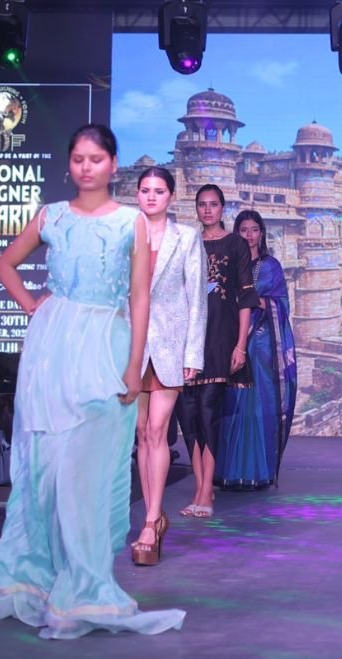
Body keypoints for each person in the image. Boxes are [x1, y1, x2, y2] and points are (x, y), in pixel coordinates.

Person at [0, 124, 185, 637]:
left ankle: (86, 584)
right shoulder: (52, 216)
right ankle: (34, 578)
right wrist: (33, 306)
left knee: (89, 470)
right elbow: (5, 263)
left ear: (113, 165)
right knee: (44, 466)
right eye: (79, 159)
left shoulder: (131, 222)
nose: (87, 167)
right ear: (69, 164)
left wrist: (134, 365)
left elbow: (140, 297)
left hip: (106, 346)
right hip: (52, 351)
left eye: (96, 159)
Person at [131, 166, 207, 565]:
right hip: (130, 346)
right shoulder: (125, 235)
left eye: (159, 191)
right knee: (142, 434)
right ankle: (155, 516)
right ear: (137, 194)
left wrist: (193, 354)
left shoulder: (187, 237)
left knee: (158, 430)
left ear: (171, 196)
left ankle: (149, 521)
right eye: (145, 190)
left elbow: (197, 298)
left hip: (169, 345)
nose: (151, 196)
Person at [173, 184, 257, 518]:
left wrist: (241, 346)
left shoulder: (236, 244)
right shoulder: (187, 242)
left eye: (213, 204)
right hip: (186, 338)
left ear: (223, 208)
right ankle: (201, 489)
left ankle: (206, 491)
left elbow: (246, 298)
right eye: (202, 205)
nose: (207, 210)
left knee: (208, 412)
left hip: (221, 337)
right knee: (188, 416)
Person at [215, 210, 298, 490]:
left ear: (261, 233)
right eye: (243, 230)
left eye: (254, 230)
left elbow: (281, 304)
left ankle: (257, 471)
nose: (249, 235)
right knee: (232, 405)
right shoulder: (228, 264)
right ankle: (228, 471)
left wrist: (253, 300)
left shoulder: (271, 266)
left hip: (261, 344)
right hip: (231, 340)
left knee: (257, 405)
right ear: (236, 232)